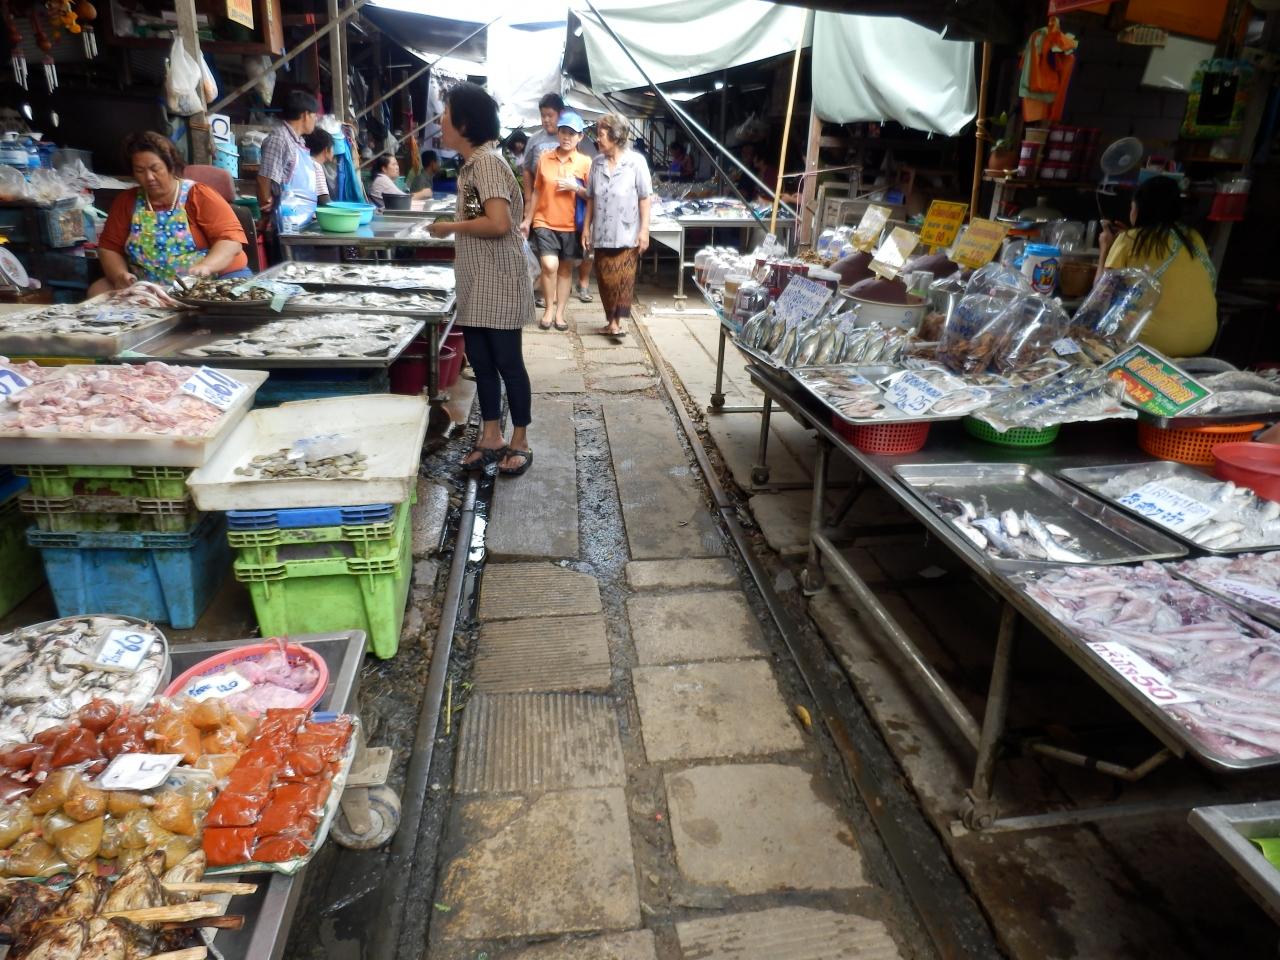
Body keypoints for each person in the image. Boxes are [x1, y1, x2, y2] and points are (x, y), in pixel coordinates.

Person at [427, 82, 534, 477]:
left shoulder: (487, 163)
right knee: (484, 366)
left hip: (499, 282)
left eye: (445, 113)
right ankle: (491, 436)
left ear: (465, 123)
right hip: (477, 282)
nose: (440, 120)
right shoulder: (472, 165)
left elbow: (499, 223)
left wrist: (448, 227)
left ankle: (520, 440)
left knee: (508, 364)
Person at [89, 130, 249, 296]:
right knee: (98, 290)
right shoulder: (126, 201)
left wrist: (207, 266)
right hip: (151, 287)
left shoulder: (198, 195)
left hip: (212, 281)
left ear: (171, 166)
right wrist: (119, 275)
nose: (149, 177)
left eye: (155, 168)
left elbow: (230, 241)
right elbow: (109, 248)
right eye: (140, 170)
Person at [1097, 176, 1218, 357]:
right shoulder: (1193, 237)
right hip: (1202, 339)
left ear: (1139, 210)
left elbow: (1100, 294)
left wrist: (1105, 248)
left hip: (1152, 341)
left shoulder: (1128, 239)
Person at [520, 111, 591, 331]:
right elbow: (538, 191)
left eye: (572, 133)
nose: (567, 137)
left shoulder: (585, 163)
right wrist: (528, 220)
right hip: (545, 221)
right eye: (563, 132)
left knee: (565, 270)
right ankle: (548, 309)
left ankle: (559, 313)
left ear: (580, 137)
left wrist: (575, 188)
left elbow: (592, 196)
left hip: (571, 225)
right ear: (558, 134)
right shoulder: (545, 158)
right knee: (549, 265)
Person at [581, 113, 651, 338]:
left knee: (623, 279)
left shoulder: (636, 162)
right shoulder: (597, 163)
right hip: (602, 232)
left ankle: (615, 323)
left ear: (616, 136)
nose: (598, 139)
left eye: (601, 134)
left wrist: (644, 230)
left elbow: (645, 197)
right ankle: (611, 320)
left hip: (627, 233)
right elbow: (591, 197)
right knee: (604, 279)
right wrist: (586, 228)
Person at [523, 92, 566, 309]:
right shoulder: (535, 140)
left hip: (564, 207)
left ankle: (556, 291)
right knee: (542, 250)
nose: (546, 120)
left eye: (550, 115)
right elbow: (527, 170)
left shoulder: (568, 137)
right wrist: (528, 200)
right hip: (540, 205)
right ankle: (545, 290)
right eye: (543, 115)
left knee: (563, 254)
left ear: (560, 114)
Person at [257, 90, 320, 233]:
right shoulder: (279, 139)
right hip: (285, 223)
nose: (315, 120)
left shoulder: (298, 141)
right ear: (305, 115)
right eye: (314, 115)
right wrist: (267, 216)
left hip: (301, 219)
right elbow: (264, 179)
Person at [367, 154, 432, 211]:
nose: (397, 167)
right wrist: (423, 193)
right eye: (393, 164)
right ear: (384, 169)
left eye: (397, 164)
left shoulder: (382, 179)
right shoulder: (382, 180)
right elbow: (403, 199)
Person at [303, 128, 335, 205]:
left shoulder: (304, 161)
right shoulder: (316, 166)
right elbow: (324, 201)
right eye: (333, 147)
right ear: (326, 150)